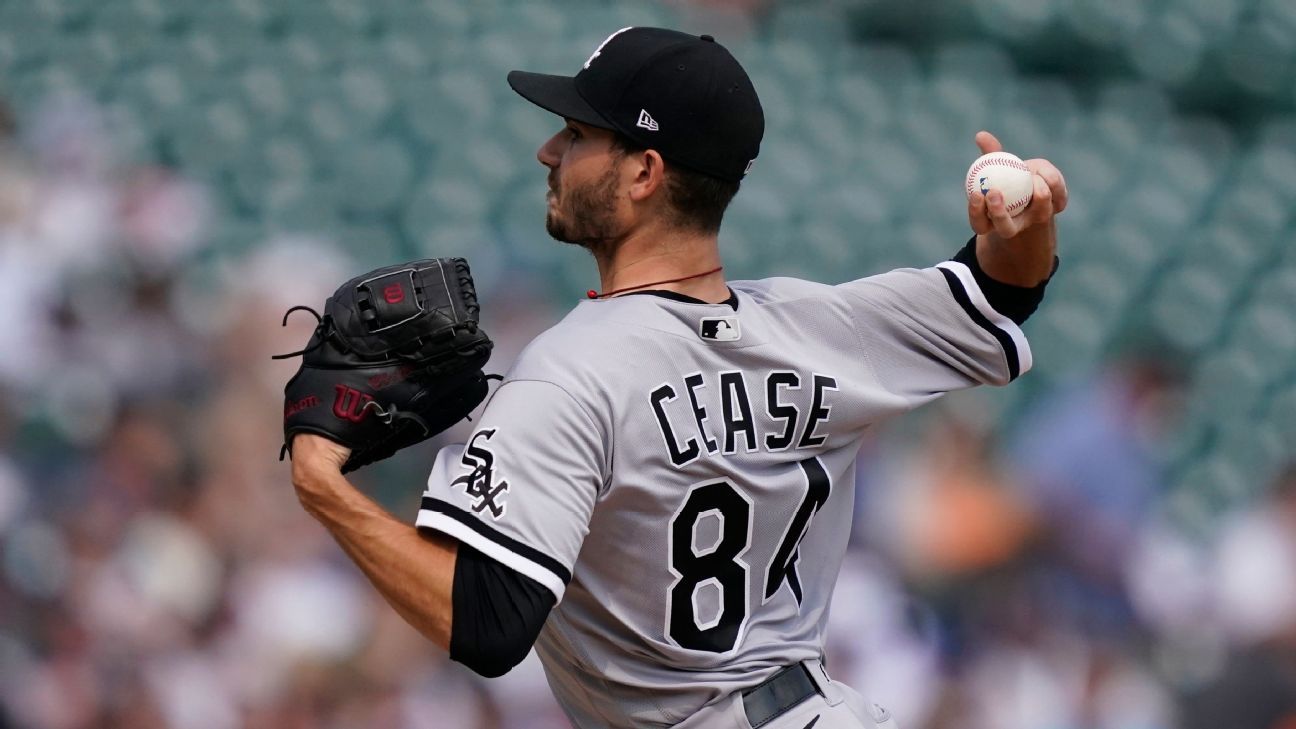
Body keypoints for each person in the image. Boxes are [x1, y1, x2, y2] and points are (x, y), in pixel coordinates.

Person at [289, 27, 1067, 729]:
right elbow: (1002, 291)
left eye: (577, 132)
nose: (549, 152)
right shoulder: (815, 326)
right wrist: (1029, 228)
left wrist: (322, 484)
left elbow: (489, 625)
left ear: (643, 172)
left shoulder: (571, 373)